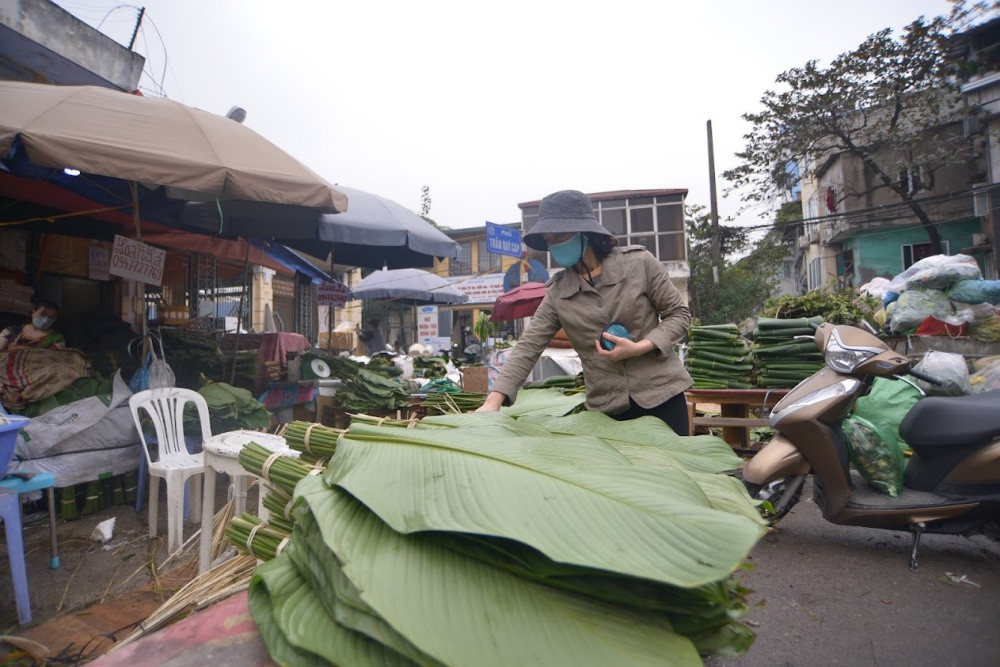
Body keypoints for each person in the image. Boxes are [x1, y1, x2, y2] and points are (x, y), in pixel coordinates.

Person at [476, 190, 692, 435]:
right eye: (549, 239)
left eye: (560, 235)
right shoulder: (558, 293)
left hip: (662, 395)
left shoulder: (639, 264)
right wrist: (492, 403)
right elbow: (528, 346)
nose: (553, 244)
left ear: (584, 232)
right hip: (607, 411)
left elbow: (679, 315)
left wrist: (641, 346)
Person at [0, 300, 65, 352]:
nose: (46, 319)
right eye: (43, 314)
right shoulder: (10, 331)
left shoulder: (57, 338)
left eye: (52, 317)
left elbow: (55, 359)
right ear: (33, 313)